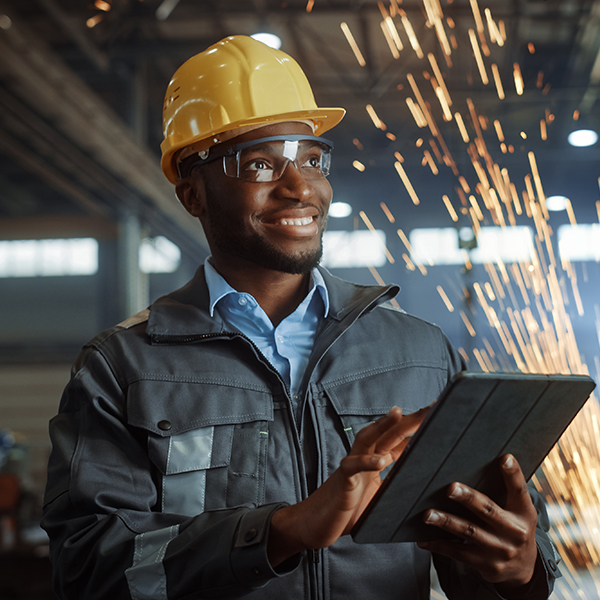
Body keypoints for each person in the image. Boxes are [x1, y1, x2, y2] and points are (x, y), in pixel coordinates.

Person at [42, 35, 560, 599]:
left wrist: (520, 572)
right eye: (260, 163)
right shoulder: (125, 367)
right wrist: (281, 532)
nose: (299, 188)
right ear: (193, 194)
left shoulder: (420, 354)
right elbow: (90, 570)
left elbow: (477, 553)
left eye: (312, 159)